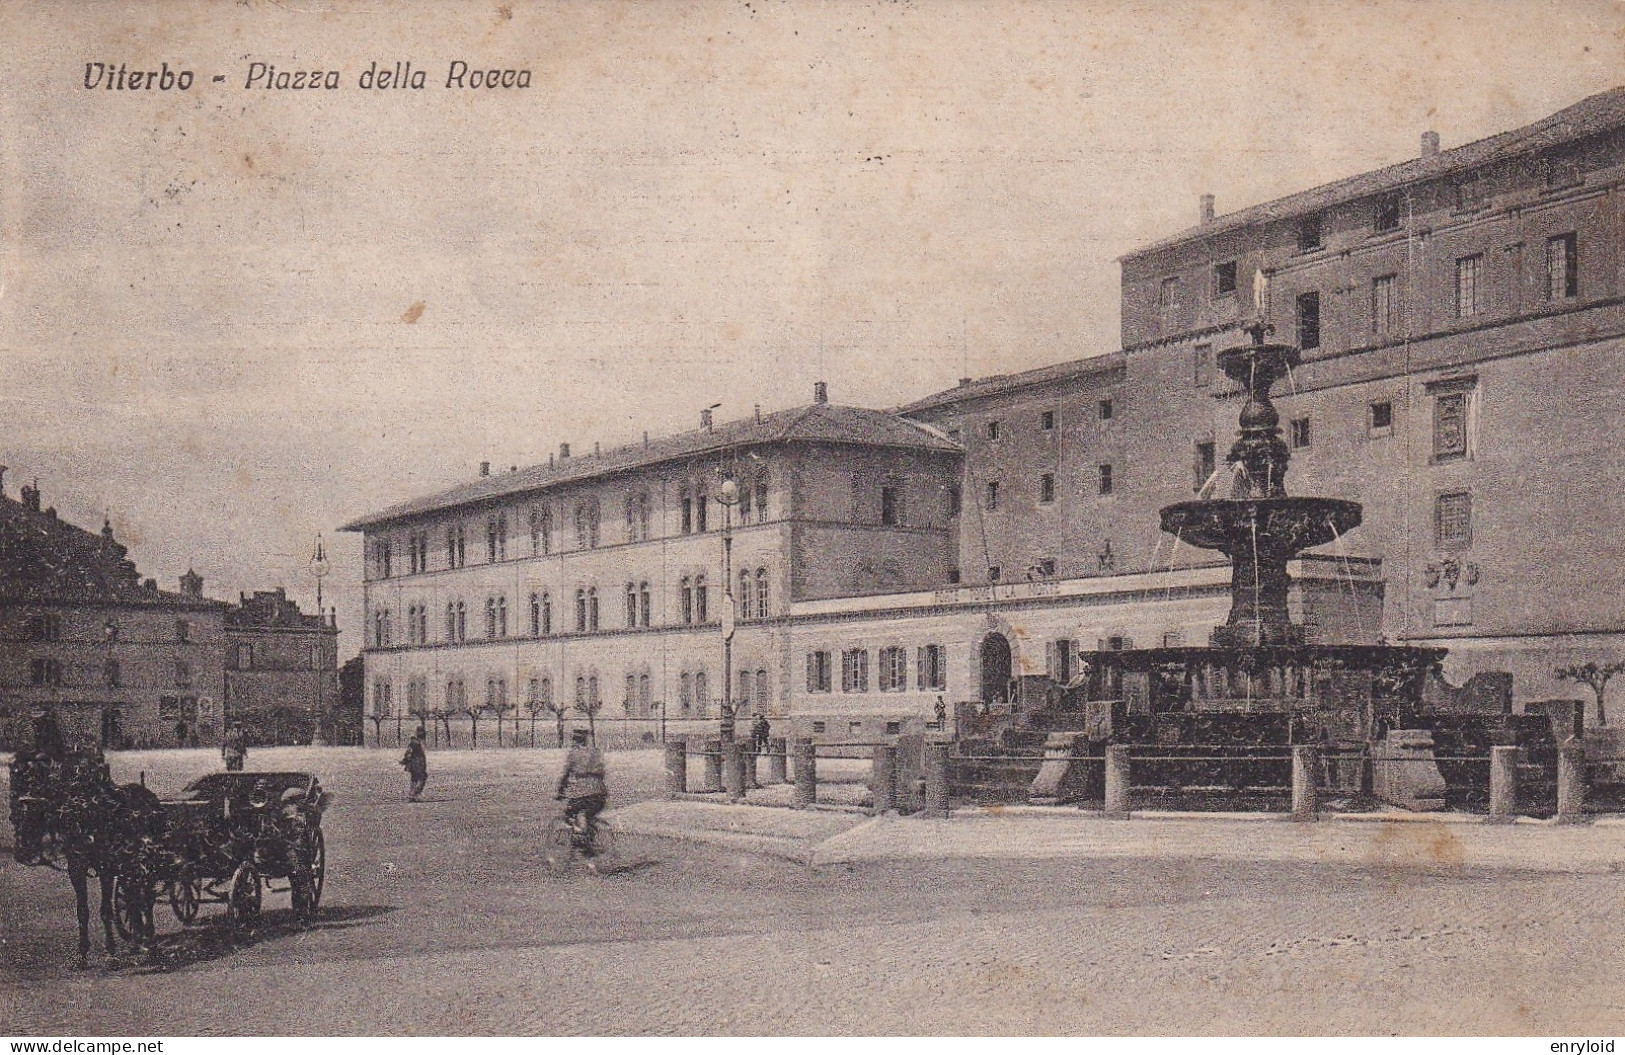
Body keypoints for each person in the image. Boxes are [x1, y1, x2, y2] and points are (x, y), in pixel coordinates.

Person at [555, 728, 608, 851]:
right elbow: (602, 772)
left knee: (572, 812)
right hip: (600, 793)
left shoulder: (574, 753)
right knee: (587, 814)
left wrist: (560, 791)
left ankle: (582, 839)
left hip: (582, 793)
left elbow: (566, 774)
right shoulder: (596, 752)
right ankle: (587, 837)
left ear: (575, 740)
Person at [401, 726, 428, 801]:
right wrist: (405, 760)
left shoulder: (415, 742)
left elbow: (408, 752)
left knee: (414, 778)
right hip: (417, 763)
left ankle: (412, 795)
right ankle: (414, 793)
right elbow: (409, 752)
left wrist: (405, 760)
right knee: (422, 777)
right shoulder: (415, 742)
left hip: (415, 763)